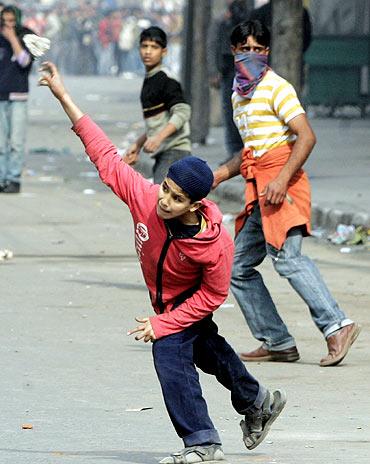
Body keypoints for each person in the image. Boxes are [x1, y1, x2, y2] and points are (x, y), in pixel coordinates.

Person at [39, 61, 287, 464]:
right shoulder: (144, 197)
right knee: (208, 350)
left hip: (187, 301)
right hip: (167, 300)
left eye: (175, 199)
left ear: (195, 205)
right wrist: (64, 96)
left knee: (170, 353)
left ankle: (202, 440)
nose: (164, 201)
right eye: (166, 190)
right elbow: (105, 155)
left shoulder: (215, 242)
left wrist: (164, 323)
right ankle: (257, 401)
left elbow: (213, 295)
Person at [213, 20, 361, 368]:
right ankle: (277, 340)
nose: (252, 55)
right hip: (259, 189)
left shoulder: (277, 87)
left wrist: (281, 179)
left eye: (258, 49)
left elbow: (305, 136)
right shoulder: (239, 95)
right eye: (244, 48)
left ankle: (337, 325)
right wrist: (219, 174)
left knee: (288, 259)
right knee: (238, 267)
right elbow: (252, 149)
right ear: (234, 51)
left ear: (267, 52)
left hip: (284, 187)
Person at [123, 26, 192, 185]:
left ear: (164, 51)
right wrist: (138, 144)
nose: (148, 51)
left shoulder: (167, 80)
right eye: (144, 46)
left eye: (154, 47)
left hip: (175, 152)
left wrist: (158, 138)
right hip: (163, 154)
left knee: (161, 202)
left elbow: (182, 112)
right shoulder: (150, 79)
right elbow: (157, 122)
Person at [208, 0, 250, 164]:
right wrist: (213, 71)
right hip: (228, 70)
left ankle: (245, 152)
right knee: (230, 112)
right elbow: (212, 45)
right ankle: (234, 152)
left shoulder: (249, 16)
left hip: (247, 70)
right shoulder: (221, 20)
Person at [0, 5, 34, 193]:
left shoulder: (26, 36)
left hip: (18, 96)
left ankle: (13, 178)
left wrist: (12, 39)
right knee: (0, 143)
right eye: (5, 21)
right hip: (0, 96)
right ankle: (1, 177)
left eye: (12, 21)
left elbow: (25, 61)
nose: (8, 25)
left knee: (16, 142)